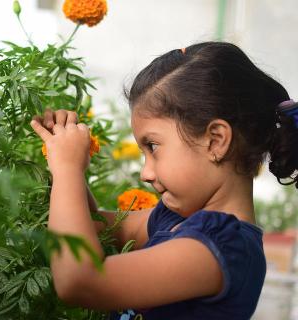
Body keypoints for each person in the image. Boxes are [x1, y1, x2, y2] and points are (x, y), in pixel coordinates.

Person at [29, 41, 298, 320]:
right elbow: (96, 225)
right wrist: (64, 157)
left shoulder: (220, 248)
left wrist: (67, 169)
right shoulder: (173, 218)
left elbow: (80, 281)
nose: (145, 173)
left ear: (215, 141)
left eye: (153, 147)